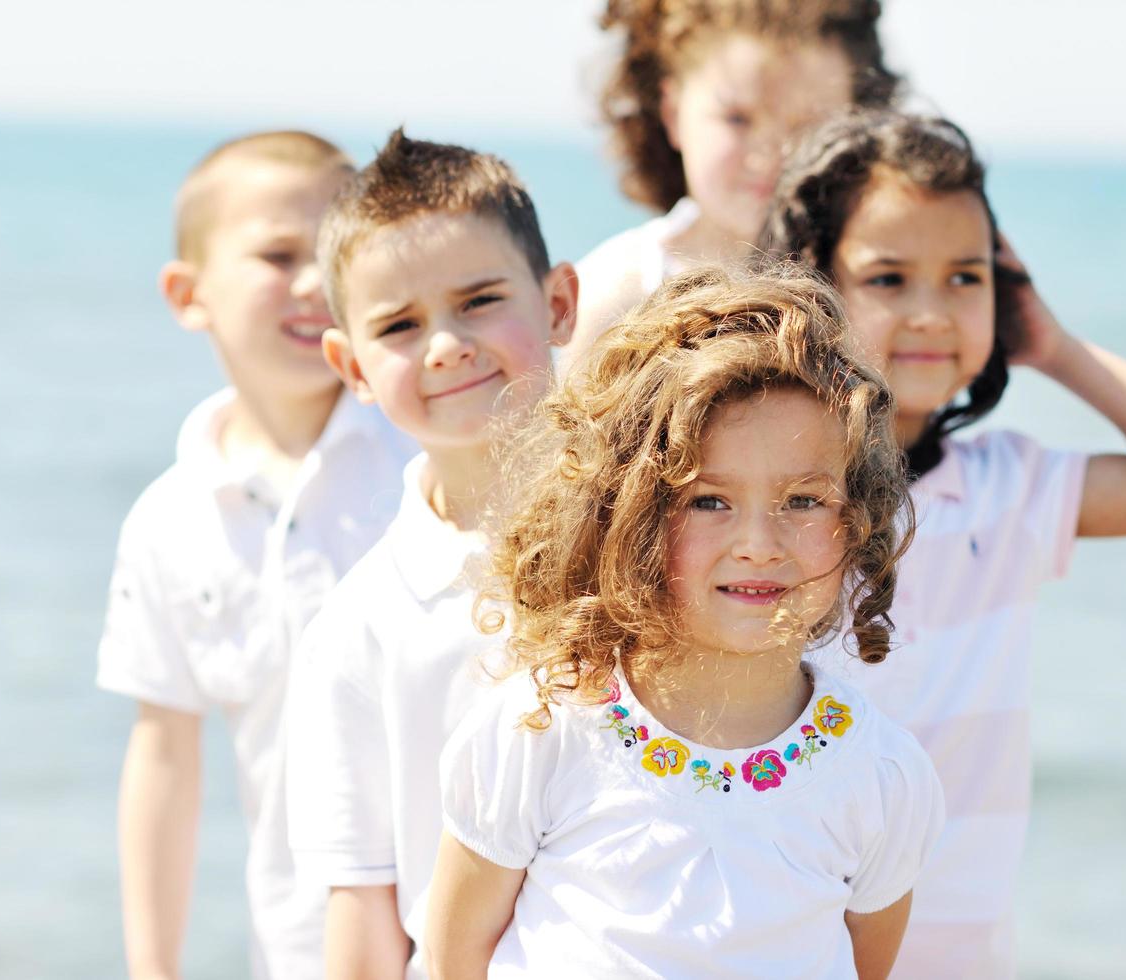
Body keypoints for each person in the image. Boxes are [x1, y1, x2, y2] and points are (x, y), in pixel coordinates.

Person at [761, 110, 1126, 977]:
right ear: (814, 285)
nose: (930, 313)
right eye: (888, 277)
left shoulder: (1011, 489)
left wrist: (1055, 347)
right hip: (787, 938)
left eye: (965, 277)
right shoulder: (773, 498)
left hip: (960, 950)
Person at [426, 265, 946, 980]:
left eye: (803, 500)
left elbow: (867, 966)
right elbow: (457, 960)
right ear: (628, 515)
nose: (760, 542)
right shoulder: (540, 731)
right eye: (709, 501)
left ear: (858, 518)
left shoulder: (881, 778)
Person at [96, 131, 415, 980]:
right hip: (302, 944)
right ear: (187, 293)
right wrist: (152, 968)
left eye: (332, 254)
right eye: (278, 255)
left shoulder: (424, 453)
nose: (313, 281)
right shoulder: (170, 519)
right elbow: (164, 757)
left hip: (493, 934)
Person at [283, 129, 578, 979]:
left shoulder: (662, 529)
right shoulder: (359, 626)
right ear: (352, 366)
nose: (445, 344)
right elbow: (364, 904)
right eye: (400, 325)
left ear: (558, 303)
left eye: (480, 299)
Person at [561, 0, 898, 366]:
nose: (773, 153)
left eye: (808, 125)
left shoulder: (883, 284)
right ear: (672, 113)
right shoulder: (616, 293)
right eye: (738, 118)